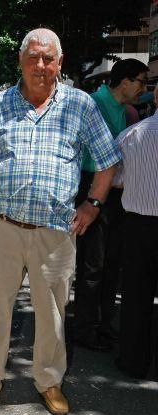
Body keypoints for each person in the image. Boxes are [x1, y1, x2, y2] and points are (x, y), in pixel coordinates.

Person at [0, 28, 120, 415]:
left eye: (48, 58)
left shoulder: (81, 105)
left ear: (59, 61)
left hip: (54, 231)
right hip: (1, 227)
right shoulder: (0, 104)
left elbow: (108, 159)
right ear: (20, 61)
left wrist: (92, 205)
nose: (40, 65)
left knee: (53, 313)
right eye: (33, 57)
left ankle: (49, 381)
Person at [73, 59, 148, 352]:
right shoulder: (93, 104)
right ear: (126, 81)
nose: (144, 88)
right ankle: (85, 328)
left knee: (110, 264)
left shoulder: (124, 111)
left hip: (115, 193)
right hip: (93, 188)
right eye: (141, 81)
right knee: (93, 266)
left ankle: (104, 324)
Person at [115, 84, 158, 379]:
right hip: (139, 222)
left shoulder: (131, 135)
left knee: (136, 295)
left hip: (138, 224)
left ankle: (133, 361)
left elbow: (115, 179)